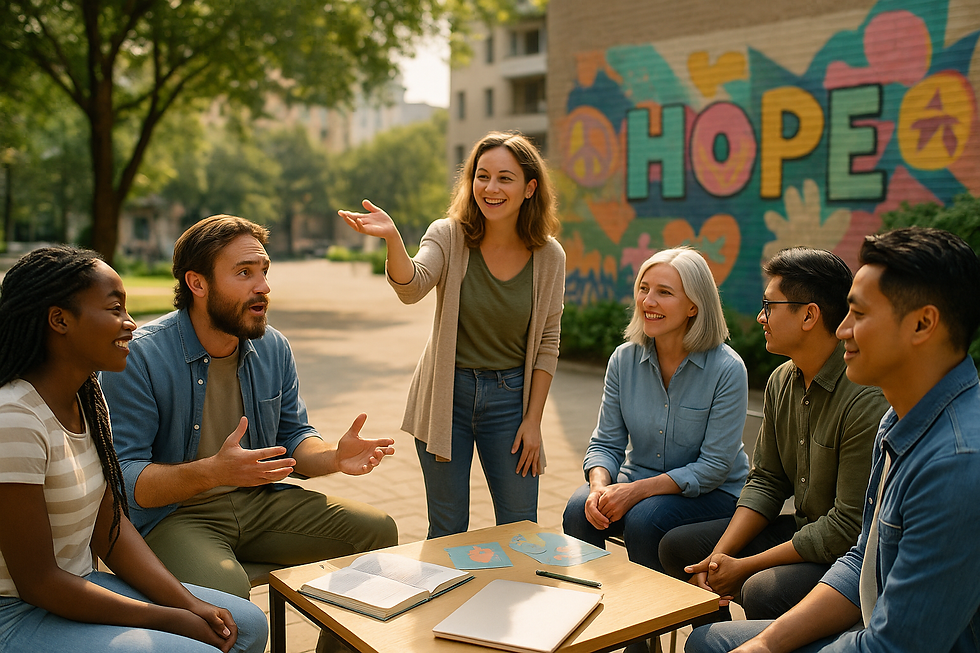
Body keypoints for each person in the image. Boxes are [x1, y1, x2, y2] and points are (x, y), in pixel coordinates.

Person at [687, 226, 980, 653]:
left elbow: (894, 645)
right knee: (709, 641)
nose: (841, 330)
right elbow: (864, 560)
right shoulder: (899, 422)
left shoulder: (957, 462)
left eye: (858, 314)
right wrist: (767, 643)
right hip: (870, 621)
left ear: (922, 324)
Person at [99, 215, 399, 604]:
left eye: (264, 271)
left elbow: (292, 437)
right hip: (173, 517)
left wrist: (333, 457)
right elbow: (125, 477)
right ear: (198, 283)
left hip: (258, 503)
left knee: (378, 530)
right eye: (244, 273)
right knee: (229, 596)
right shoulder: (140, 356)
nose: (263, 287)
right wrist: (213, 472)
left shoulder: (273, 347)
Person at [0, 246, 267, 653]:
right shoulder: (15, 419)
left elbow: (110, 530)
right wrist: (167, 618)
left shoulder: (88, 399)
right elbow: (39, 582)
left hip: (76, 586)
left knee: (244, 625)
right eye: (114, 309)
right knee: (198, 648)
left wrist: (189, 604)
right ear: (60, 320)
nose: (130, 323)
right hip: (16, 611)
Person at [339, 131, 565, 538]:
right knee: (447, 531)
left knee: (521, 529)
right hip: (446, 397)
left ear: (530, 188)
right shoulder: (449, 235)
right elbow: (412, 286)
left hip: (511, 402)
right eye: (482, 176)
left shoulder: (549, 256)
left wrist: (533, 420)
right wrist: (393, 239)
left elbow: (549, 341)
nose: (490, 188)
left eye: (505, 178)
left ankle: (517, 600)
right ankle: (448, 601)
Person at [659, 248, 888, 621]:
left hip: (848, 556)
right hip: (804, 530)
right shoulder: (782, 380)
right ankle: (720, 642)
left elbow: (847, 527)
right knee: (680, 548)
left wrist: (745, 566)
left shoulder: (864, 396)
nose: (760, 317)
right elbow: (767, 480)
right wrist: (721, 558)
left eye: (769, 306)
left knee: (761, 588)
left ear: (809, 315)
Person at [562, 247, 750, 575]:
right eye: (644, 289)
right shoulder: (624, 360)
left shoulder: (727, 369)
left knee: (645, 519)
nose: (648, 301)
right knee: (580, 509)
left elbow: (714, 467)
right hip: (642, 478)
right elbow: (606, 443)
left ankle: (654, 619)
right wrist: (599, 487)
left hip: (715, 492)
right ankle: (597, 608)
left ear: (694, 305)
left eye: (664, 292)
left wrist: (635, 491)